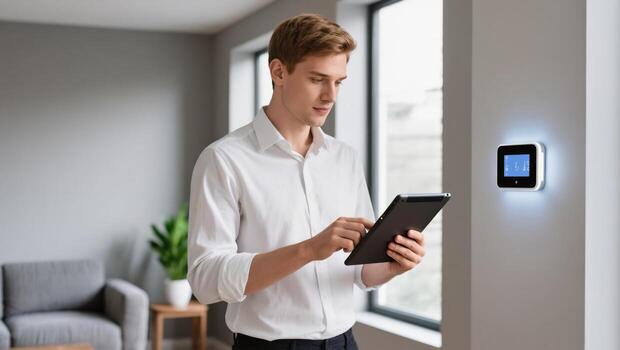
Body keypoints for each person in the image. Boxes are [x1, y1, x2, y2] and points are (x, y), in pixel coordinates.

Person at [187, 13, 426, 350]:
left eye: (339, 81)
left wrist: (393, 266)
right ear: (278, 72)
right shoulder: (224, 160)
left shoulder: (345, 158)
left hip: (345, 343)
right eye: (318, 79)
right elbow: (205, 280)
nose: (331, 95)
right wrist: (309, 250)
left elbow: (360, 273)